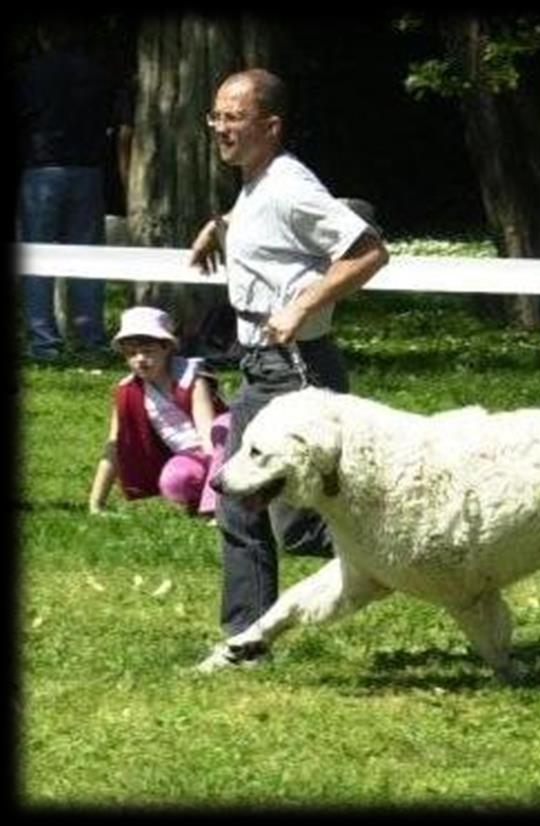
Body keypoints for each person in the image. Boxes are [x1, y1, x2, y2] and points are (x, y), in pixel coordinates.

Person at [189, 68, 389, 670]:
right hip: (263, 367)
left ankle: (420, 549)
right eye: (216, 116)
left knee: (299, 524)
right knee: (239, 500)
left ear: (269, 126)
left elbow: (369, 250)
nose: (221, 127)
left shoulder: (288, 186)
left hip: (295, 369)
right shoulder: (257, 184)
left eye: (234, 117)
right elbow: (276, 233)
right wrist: (219, 227)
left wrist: (302, 304)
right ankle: (246, 643)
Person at [16, 22, 120, 360]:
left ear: (44, 35)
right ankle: (90, 337)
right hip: (88, 169)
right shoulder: (97, 73)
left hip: (42, 169)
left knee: (37, 258)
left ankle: (44, 341)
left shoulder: (31, 73)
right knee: (87, 258)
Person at [88, 306, 230, 517]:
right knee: (173, 480)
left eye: (148, 351)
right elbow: (114, 445)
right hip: (189, 455)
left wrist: (215, 487)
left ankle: (220, 507)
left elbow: (209, 435)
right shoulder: (126, 391)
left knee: (222, 429)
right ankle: (203, 503)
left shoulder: (192, 379)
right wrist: (96, 504)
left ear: (166, 348)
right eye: (131, 353)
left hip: (221, 448)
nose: (140, 359)